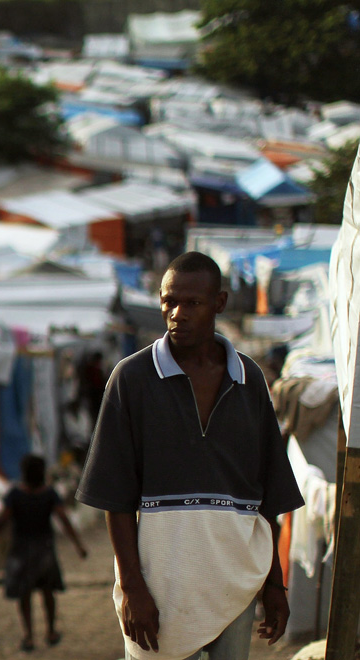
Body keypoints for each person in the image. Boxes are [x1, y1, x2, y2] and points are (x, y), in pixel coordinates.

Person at [76, 251, 305, 660]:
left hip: (238, 580)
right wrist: (132, 587)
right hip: (161, 586)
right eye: (168, 301)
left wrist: (274, 585)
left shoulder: (249, 380)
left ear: (219, 303)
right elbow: (115, 498)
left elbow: (266, 496)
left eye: (191, 303)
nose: (176, 313)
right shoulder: (131, 379)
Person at [0, 454, 88, 653]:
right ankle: (51, 631)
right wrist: (78, 545)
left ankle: (28, 637)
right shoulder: (49, 494)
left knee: (24, 595)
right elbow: (64, 520)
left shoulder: (15, 495)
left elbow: (2, 519)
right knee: (48, 592)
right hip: (44, 550)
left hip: (21, 551)